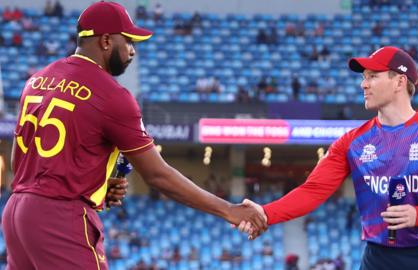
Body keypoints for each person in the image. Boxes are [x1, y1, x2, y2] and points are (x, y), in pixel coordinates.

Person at [1, 2, 266, 270]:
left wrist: (98, 187)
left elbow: (20, 161)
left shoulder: (37, 80)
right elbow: (157, 175)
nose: (132, 50)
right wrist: (227, 210)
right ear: (106, 41)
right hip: (60, 218)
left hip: (16, 213)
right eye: (128, 41)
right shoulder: (112, 95)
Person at [237, 46, 418, 270]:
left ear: (399, 81)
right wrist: (266, 213)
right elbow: (313, 191)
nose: (364, 84)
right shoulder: (352, 142)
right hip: (376, 258)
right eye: (364, 77)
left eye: (373, 76)